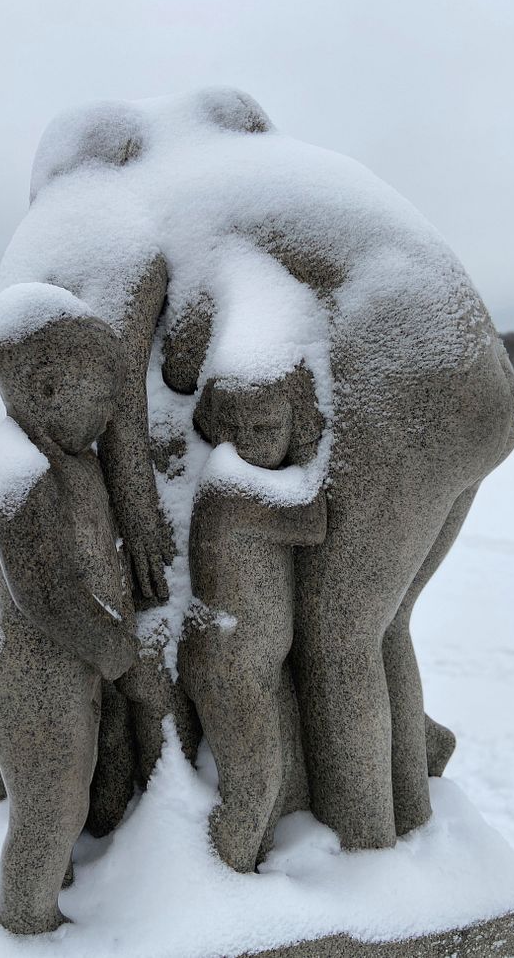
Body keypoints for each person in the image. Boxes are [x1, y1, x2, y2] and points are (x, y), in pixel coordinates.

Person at [0, 286, 137, 934]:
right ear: (44, 388)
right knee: (51, 807)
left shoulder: (66, 459)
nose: (107, 411)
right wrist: (109, 643)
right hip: (31, 681)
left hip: (59, 680)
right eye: (98, 393)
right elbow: (42, 590)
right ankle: (26, 919)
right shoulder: (19, 470)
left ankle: (51, 888)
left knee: (67, 795)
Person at [178, 374, 326, 873]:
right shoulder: (228, 485)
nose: (248, 441)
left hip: (253, 660)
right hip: (230, 663)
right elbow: (312, 520)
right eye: (235, 428)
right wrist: (307, 440)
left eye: (264, 429)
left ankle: (251, 861)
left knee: (277, 778)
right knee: (255, 785)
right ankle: (225, 879)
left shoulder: (244, 481)